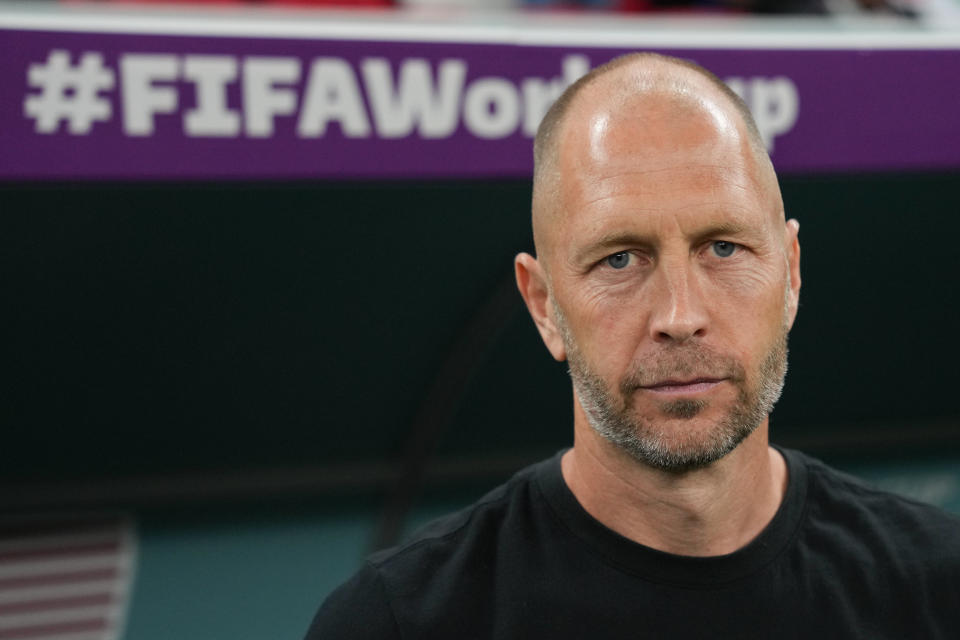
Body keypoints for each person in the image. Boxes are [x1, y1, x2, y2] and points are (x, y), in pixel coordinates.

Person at [304, 53, 960, 639]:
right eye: (620, 259)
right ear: (545, 306)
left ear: (789, 273)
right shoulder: (398, 623)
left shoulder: (939, 587)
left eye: (723, 247)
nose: (680, 314)